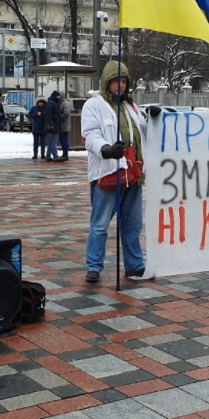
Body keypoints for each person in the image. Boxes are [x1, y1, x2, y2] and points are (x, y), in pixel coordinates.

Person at [81, 61, 150, 283]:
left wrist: (156, 119)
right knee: (100, 224)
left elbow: (142, 132)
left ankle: (135, 265)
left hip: (133, 174)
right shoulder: (94, 105)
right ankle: (94, 265)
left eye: (123, 81)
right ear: (106, 82)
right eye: (115, 81)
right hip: (108, 172)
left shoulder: (131, 106)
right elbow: (90, 135)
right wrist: (107, 150)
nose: (119, 85)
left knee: (132, 224)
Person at [44, 90, 63, 161]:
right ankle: (56, 156)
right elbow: (48, 113)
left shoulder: (53, 102)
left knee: (52, 141)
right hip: (53, 125)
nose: (59, 97)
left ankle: (48, 156)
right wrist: (50, 122)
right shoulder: (52, 103)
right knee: (54, 140)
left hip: (54, 124)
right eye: (58, 96)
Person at [59, 94, 72, 161]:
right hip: (62, 125)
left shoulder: (65, 103)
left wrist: (59, 118)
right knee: (62, 140)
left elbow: (66, 113)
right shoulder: (62, 103)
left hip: (64, 125)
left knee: (64, 140)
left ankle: (65, 154)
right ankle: (64, 154)